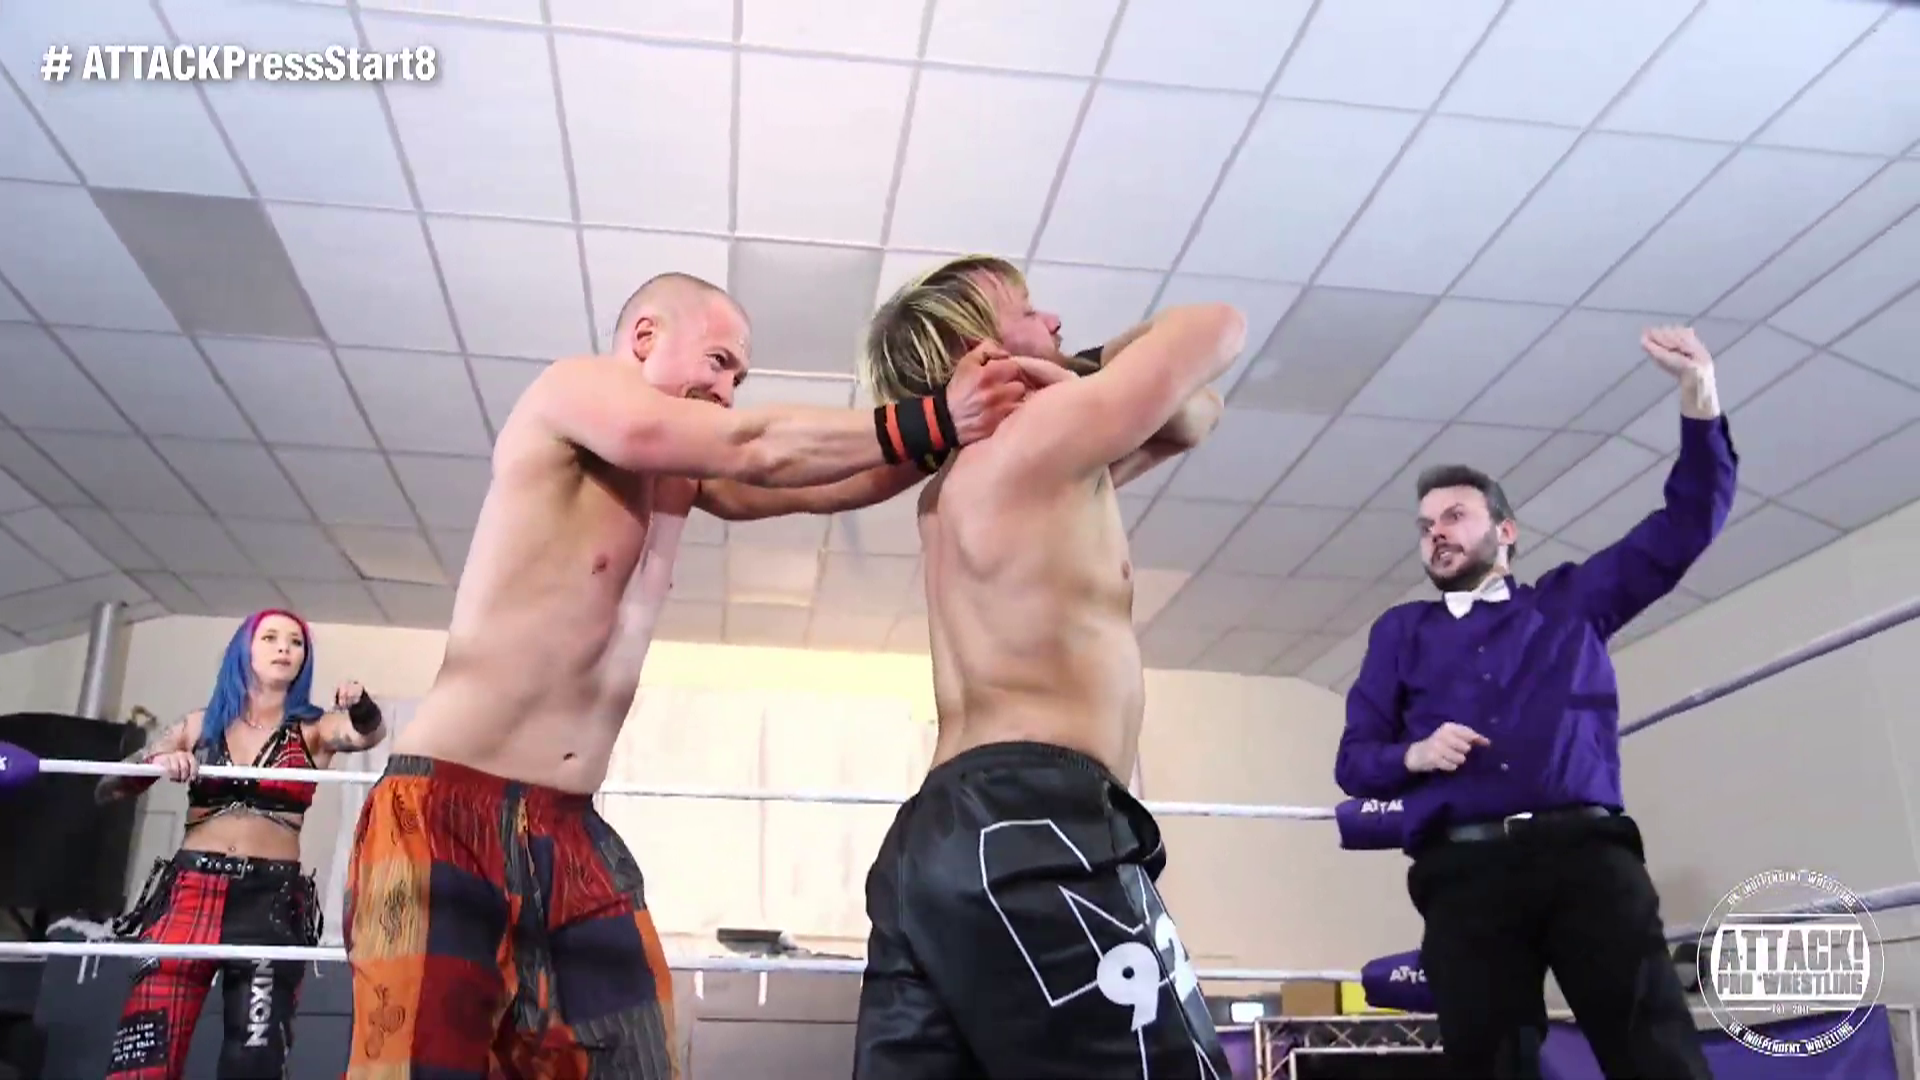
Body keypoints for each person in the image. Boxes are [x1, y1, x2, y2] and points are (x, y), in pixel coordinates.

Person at [340, 272, 1036, 1079]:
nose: (728, 389)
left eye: (739, 377)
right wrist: (938, 414)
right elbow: (753, 443)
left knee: (636, 1061)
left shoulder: (681, 480)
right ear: (645, 338)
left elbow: (826, 483)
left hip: (570, 829)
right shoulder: (572, 392)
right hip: (444, 808)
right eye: (718, 361)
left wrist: (959, 429)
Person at [851, 254, 1242, 1079]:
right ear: (980, 353)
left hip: (936, 845)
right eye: (1027, 312)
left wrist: (1068, 371)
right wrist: (1092, 368)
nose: (1055, 321)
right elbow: (1217, 329)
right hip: (1035, 820)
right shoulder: (1042, 438)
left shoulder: (963, 486)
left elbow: (1194, 416)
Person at [1334, 327, 1735, 1079]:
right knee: (1489, 1067)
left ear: (1505, 531)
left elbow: (1687, 524)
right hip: (1464, 874)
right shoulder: (1400, 632)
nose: (1436, 534)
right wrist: (1414, 754)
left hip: (1587, 857)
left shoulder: (1572, 604)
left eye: (1454, 516)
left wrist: (1698, 393)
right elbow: (1354, 763)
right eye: (1425, 527)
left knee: (1658, 1056)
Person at [96, 608, 386, 1080]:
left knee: (255, 1061)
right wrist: (158, 762)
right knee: (144, 1057)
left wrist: (361, 702)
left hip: (268, 902)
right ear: (244, 649)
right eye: (270, 637)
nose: (284, 647)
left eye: (295, 641)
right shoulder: (200, 724)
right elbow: (108, 786)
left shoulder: (315, 729)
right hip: (189, 893)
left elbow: (367, 733)